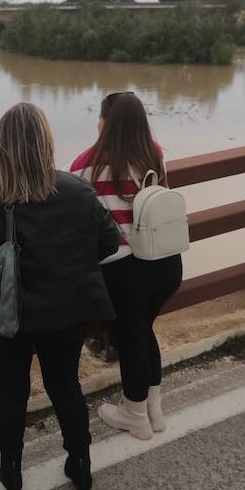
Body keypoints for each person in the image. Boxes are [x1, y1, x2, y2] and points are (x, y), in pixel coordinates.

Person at [0, 103, 119, 490]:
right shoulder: (79, 192)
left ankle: (11, 472)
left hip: (10, 317)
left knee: (11, 392)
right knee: (65, 388)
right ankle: (80, 466)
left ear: (1, 148)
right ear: (46, 145)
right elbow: (108, 242)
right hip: (67, 313)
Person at [70, 91, 183, 440]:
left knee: (132, 335)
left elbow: (79, 223)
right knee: (144, 330)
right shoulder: (155, 155)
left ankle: (134, 413)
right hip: (165, 262)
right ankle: (153, 408)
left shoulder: (84, 165)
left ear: (104, 122)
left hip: (122, 269)